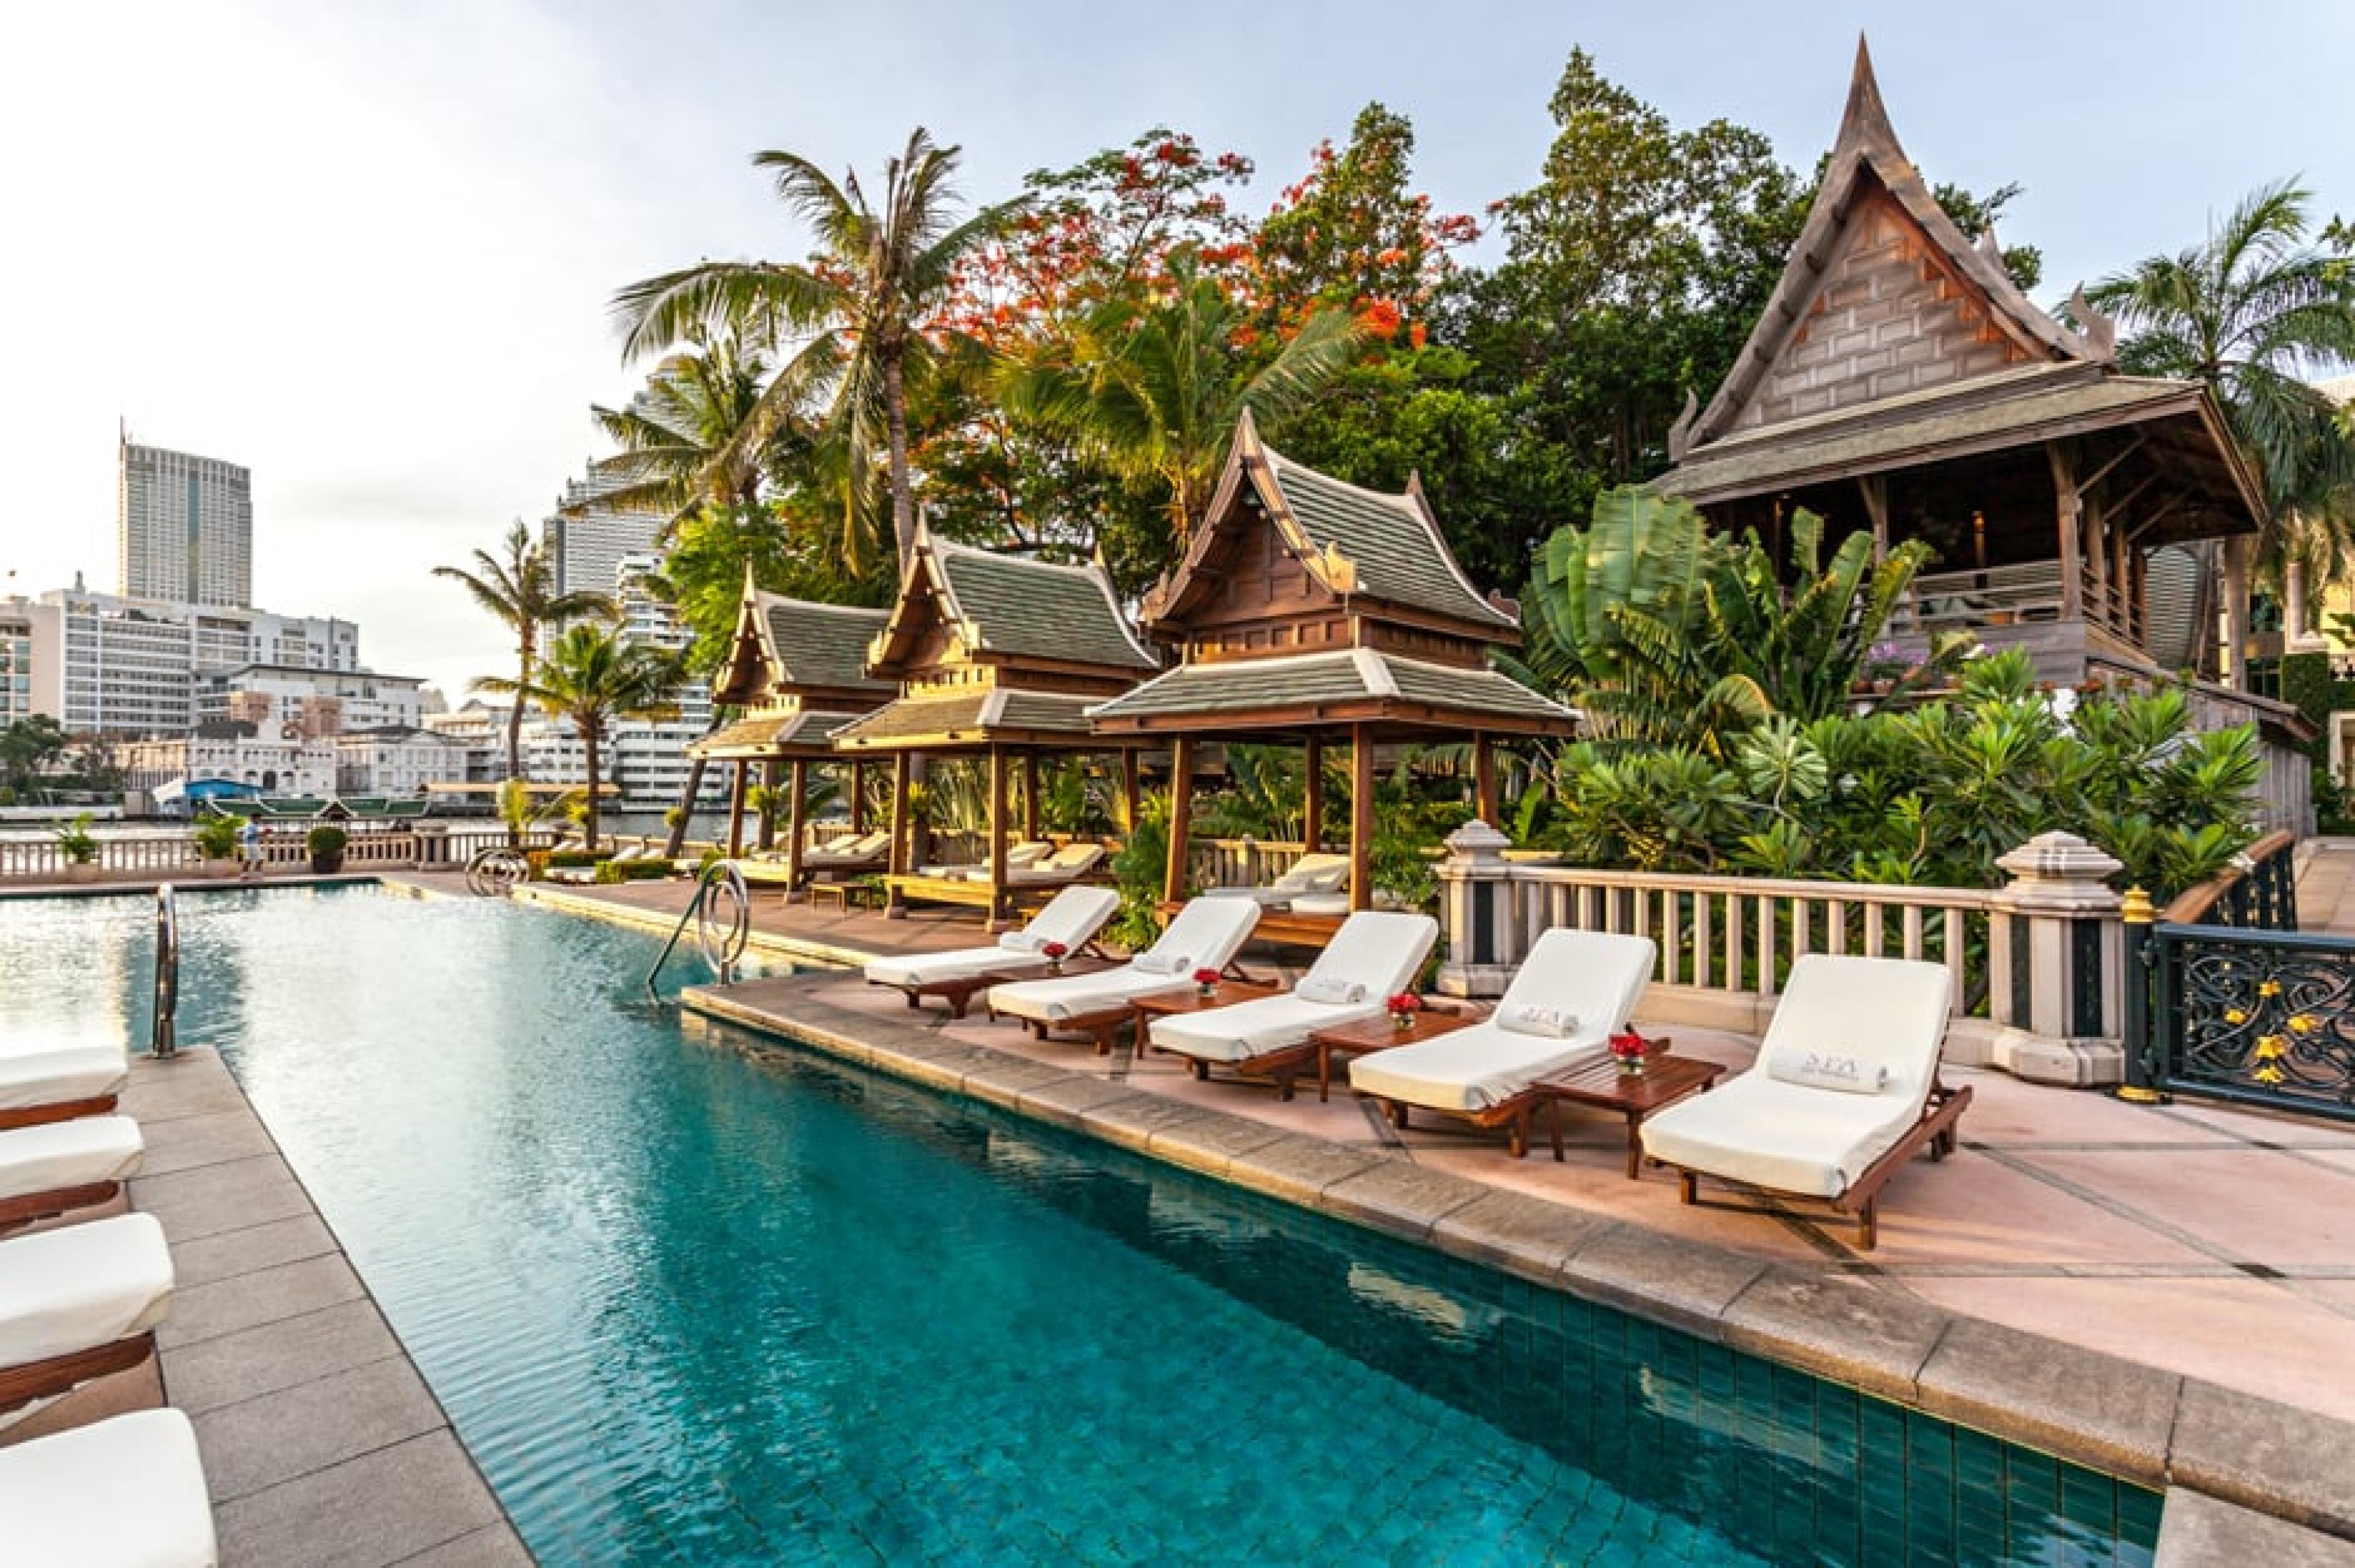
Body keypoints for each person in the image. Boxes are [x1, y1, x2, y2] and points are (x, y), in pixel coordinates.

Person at [239, 817, 265, 881]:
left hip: (250, 844)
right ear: (255, 818)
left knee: (249, 860)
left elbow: (241, 833)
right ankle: (256, 874)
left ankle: (244, 875)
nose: (259, 820)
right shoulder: (251, 826)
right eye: (258, 819)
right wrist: (262, 833)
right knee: (260, 859)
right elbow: (249, 835)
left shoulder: (249, 825)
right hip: (252, 845)